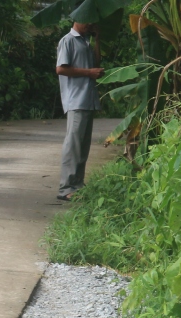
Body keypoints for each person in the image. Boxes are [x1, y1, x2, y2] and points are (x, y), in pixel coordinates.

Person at [55, 22, 104, 201]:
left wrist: (97, 40)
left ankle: (77, 184)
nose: (90, 24)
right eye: (87, 21)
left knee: (83, 145)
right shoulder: (67, 41)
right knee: (73, 144)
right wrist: (88, 72)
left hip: (88, 99)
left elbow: (96, 65)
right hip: (76, 99)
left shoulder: (86, 41)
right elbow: (60, 68)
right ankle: (66, 187)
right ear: (77, 20)